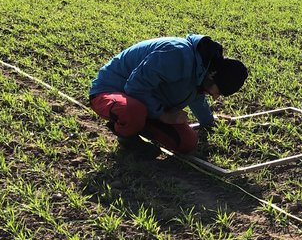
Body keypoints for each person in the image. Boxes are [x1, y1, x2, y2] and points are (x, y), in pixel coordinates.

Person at [89, 34, 248, 157]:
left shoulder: (202, 70)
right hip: (111, 92)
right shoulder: (176, 55)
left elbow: (197, 98)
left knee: (187, 143)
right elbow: (135, 87)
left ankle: (139, 124)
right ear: (212, 76)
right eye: (218, 91)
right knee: (133, 111)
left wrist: (208, 121)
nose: (215, 97)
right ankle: (127, 137)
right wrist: (163, 115)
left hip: (146, 102)